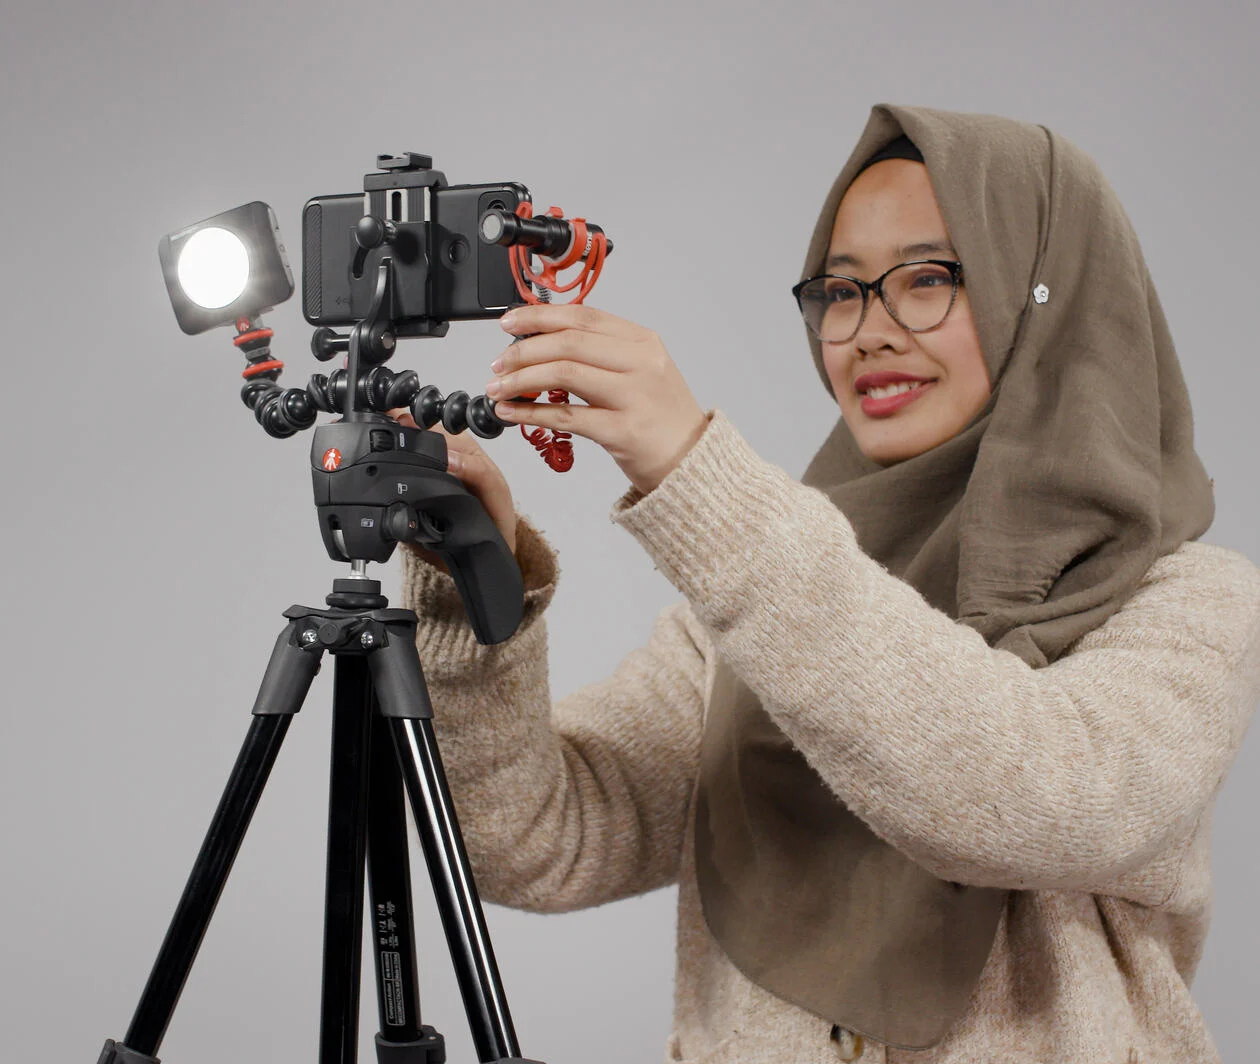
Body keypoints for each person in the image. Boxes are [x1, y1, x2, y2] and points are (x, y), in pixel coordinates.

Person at [392, 104, 1260, 1063]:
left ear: (1047, 296)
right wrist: (468, 574)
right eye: (840, 292)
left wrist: (698, 476)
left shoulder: (1187, 602)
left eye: (929, 278)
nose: (867, 333)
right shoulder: (751, 603)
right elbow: (534, 838)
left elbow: (1041, 799)